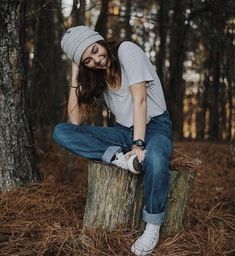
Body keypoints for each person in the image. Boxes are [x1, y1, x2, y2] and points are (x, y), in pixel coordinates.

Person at [53, 26, 173, 256]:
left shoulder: (127, 51)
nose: (96, 60)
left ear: (100, 41)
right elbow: (75, 119)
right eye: (87, 60)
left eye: (96, 51)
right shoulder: (96, 75)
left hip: (156, 128)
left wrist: (138, 144)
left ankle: (152, 225)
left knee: (156, 159)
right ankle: (119, 159)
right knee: (61, 131)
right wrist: (76, 71)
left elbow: (140, 100)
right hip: (122, 132)